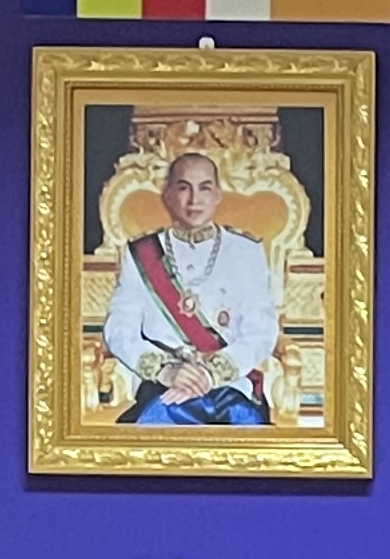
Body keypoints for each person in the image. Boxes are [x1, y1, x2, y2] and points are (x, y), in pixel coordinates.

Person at [100, 148, 278, 424]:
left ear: (218, 195)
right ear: (168, 195)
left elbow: (261, 332)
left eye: (204, 188)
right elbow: (119, 330)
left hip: (229, 387)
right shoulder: (142, 253)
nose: (194, 200)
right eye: (184, 188)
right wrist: (166, 371)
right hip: (162, 388)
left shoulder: (246, 251)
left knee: (245, 426)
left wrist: (209, 374)